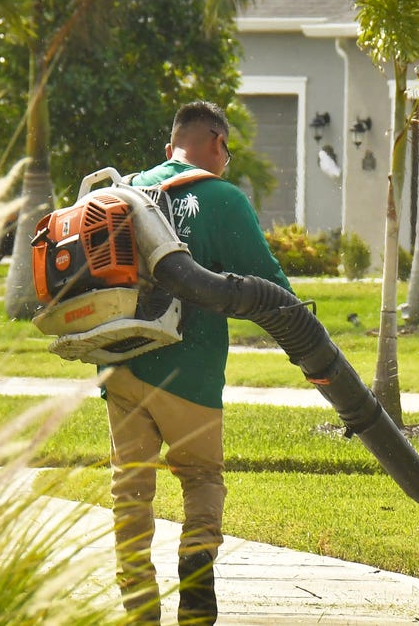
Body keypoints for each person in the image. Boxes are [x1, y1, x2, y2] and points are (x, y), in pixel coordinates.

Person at [103, 100, 291, 625]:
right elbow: (271, 284)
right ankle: (195, 579)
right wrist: (305, 335)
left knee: (130, 489)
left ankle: (138, 609)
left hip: (119, 367)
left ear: (170, 148)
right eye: (227, 151)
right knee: (202, 477)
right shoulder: (223, 198)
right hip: (191, 371)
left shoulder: (123, 191)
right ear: (215, 144)